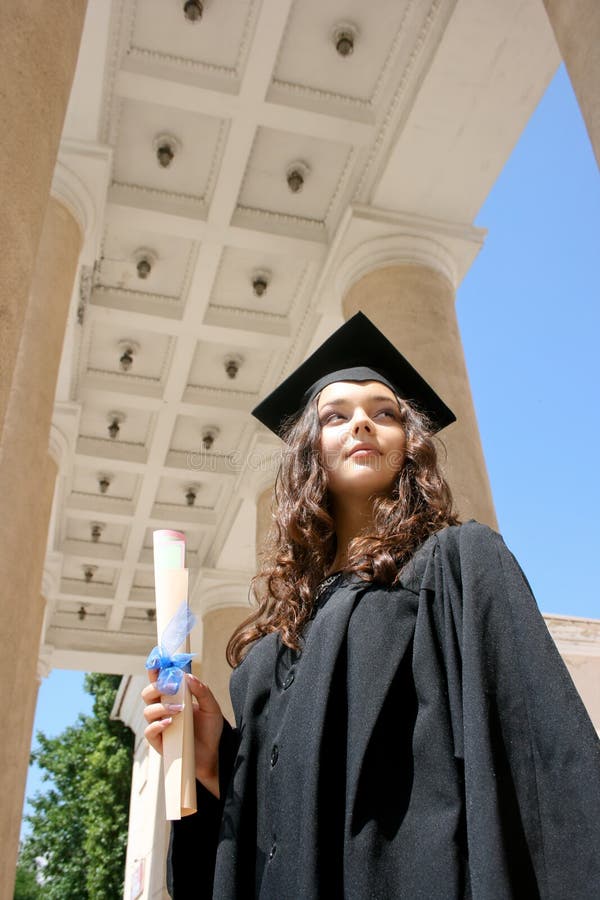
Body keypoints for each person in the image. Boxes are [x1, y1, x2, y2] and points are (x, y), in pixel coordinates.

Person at [143, 312, 600, 899]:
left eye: (384, 413)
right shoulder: (268, 656)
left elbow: (542, 754)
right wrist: (214, 764)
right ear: (310, 453)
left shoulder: (456, 566)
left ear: (408, 446)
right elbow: (268, 827)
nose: (363, 422)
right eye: (336, 416)